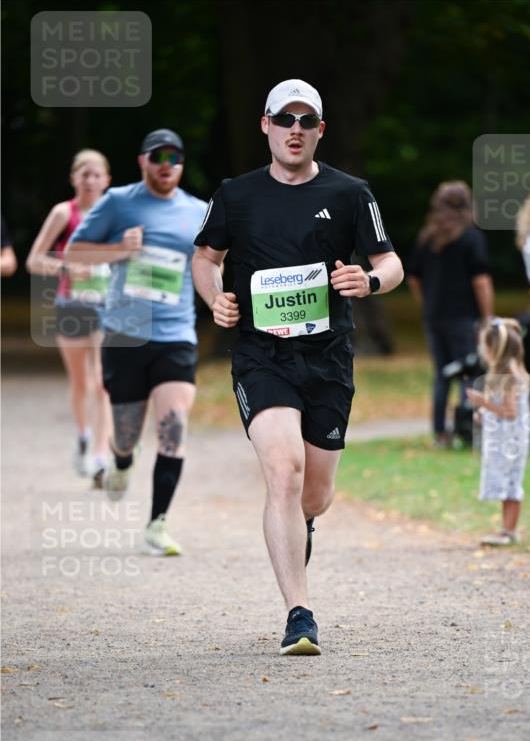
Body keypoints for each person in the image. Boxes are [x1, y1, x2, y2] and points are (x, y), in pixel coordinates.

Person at [192, 79, 403, 655]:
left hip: (329, 357)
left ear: (319, 131)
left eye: (306, 120)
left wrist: (371, 279)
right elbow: (206, 258)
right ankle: (299, 615)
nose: (294, 129)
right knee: (282, 473)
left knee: (315, 494)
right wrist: (215, 297)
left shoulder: (352, 192)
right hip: (262, 356)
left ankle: (303, 524)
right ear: (265, 124)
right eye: (284, 118)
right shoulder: (235, 195)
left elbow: (390, 261)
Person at [65, 129, 209, 553]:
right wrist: (118, 250)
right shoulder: (119, 202)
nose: (167, 164)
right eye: (158, 156)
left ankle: (157, 524)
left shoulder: (199, 211)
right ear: (142, 161)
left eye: (176, 157)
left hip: (176, 333)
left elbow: (212, 262)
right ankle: (122, 459)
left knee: (174, 427)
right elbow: (74, 254)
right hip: (125, 334)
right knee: (126, 434)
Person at [26, 150, 113, 484]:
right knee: (81, 382)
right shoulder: (64, 213)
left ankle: (102, 457)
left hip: (106, 303)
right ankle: (83, 436)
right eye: (84, 174)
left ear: (107, 180)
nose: (90, 181)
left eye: (96, 175)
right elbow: (34, 260)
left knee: (104, 382)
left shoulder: (116, 213)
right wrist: (68, 267)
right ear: (74, 178)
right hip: (72, 304)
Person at [407, 181, 493, 447]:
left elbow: (413, 277)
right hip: (463, 316)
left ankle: (440, 433)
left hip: (434, 316)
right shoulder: (470, 237)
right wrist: (487, 316)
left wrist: (426, 303)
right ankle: (467, 428)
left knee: (443, 375)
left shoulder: (427, 238)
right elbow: (481, 280)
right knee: (470, 371)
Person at [466, 318, 530, 546]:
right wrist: (485, 412)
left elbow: (510, 411)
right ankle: (506, 529)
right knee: (508, 483)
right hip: (505, 439)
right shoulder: (506, 373)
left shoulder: (511, 376)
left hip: (509, 442)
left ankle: (509, 530)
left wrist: (483, 402)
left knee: (511, 483)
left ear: (494, 349)